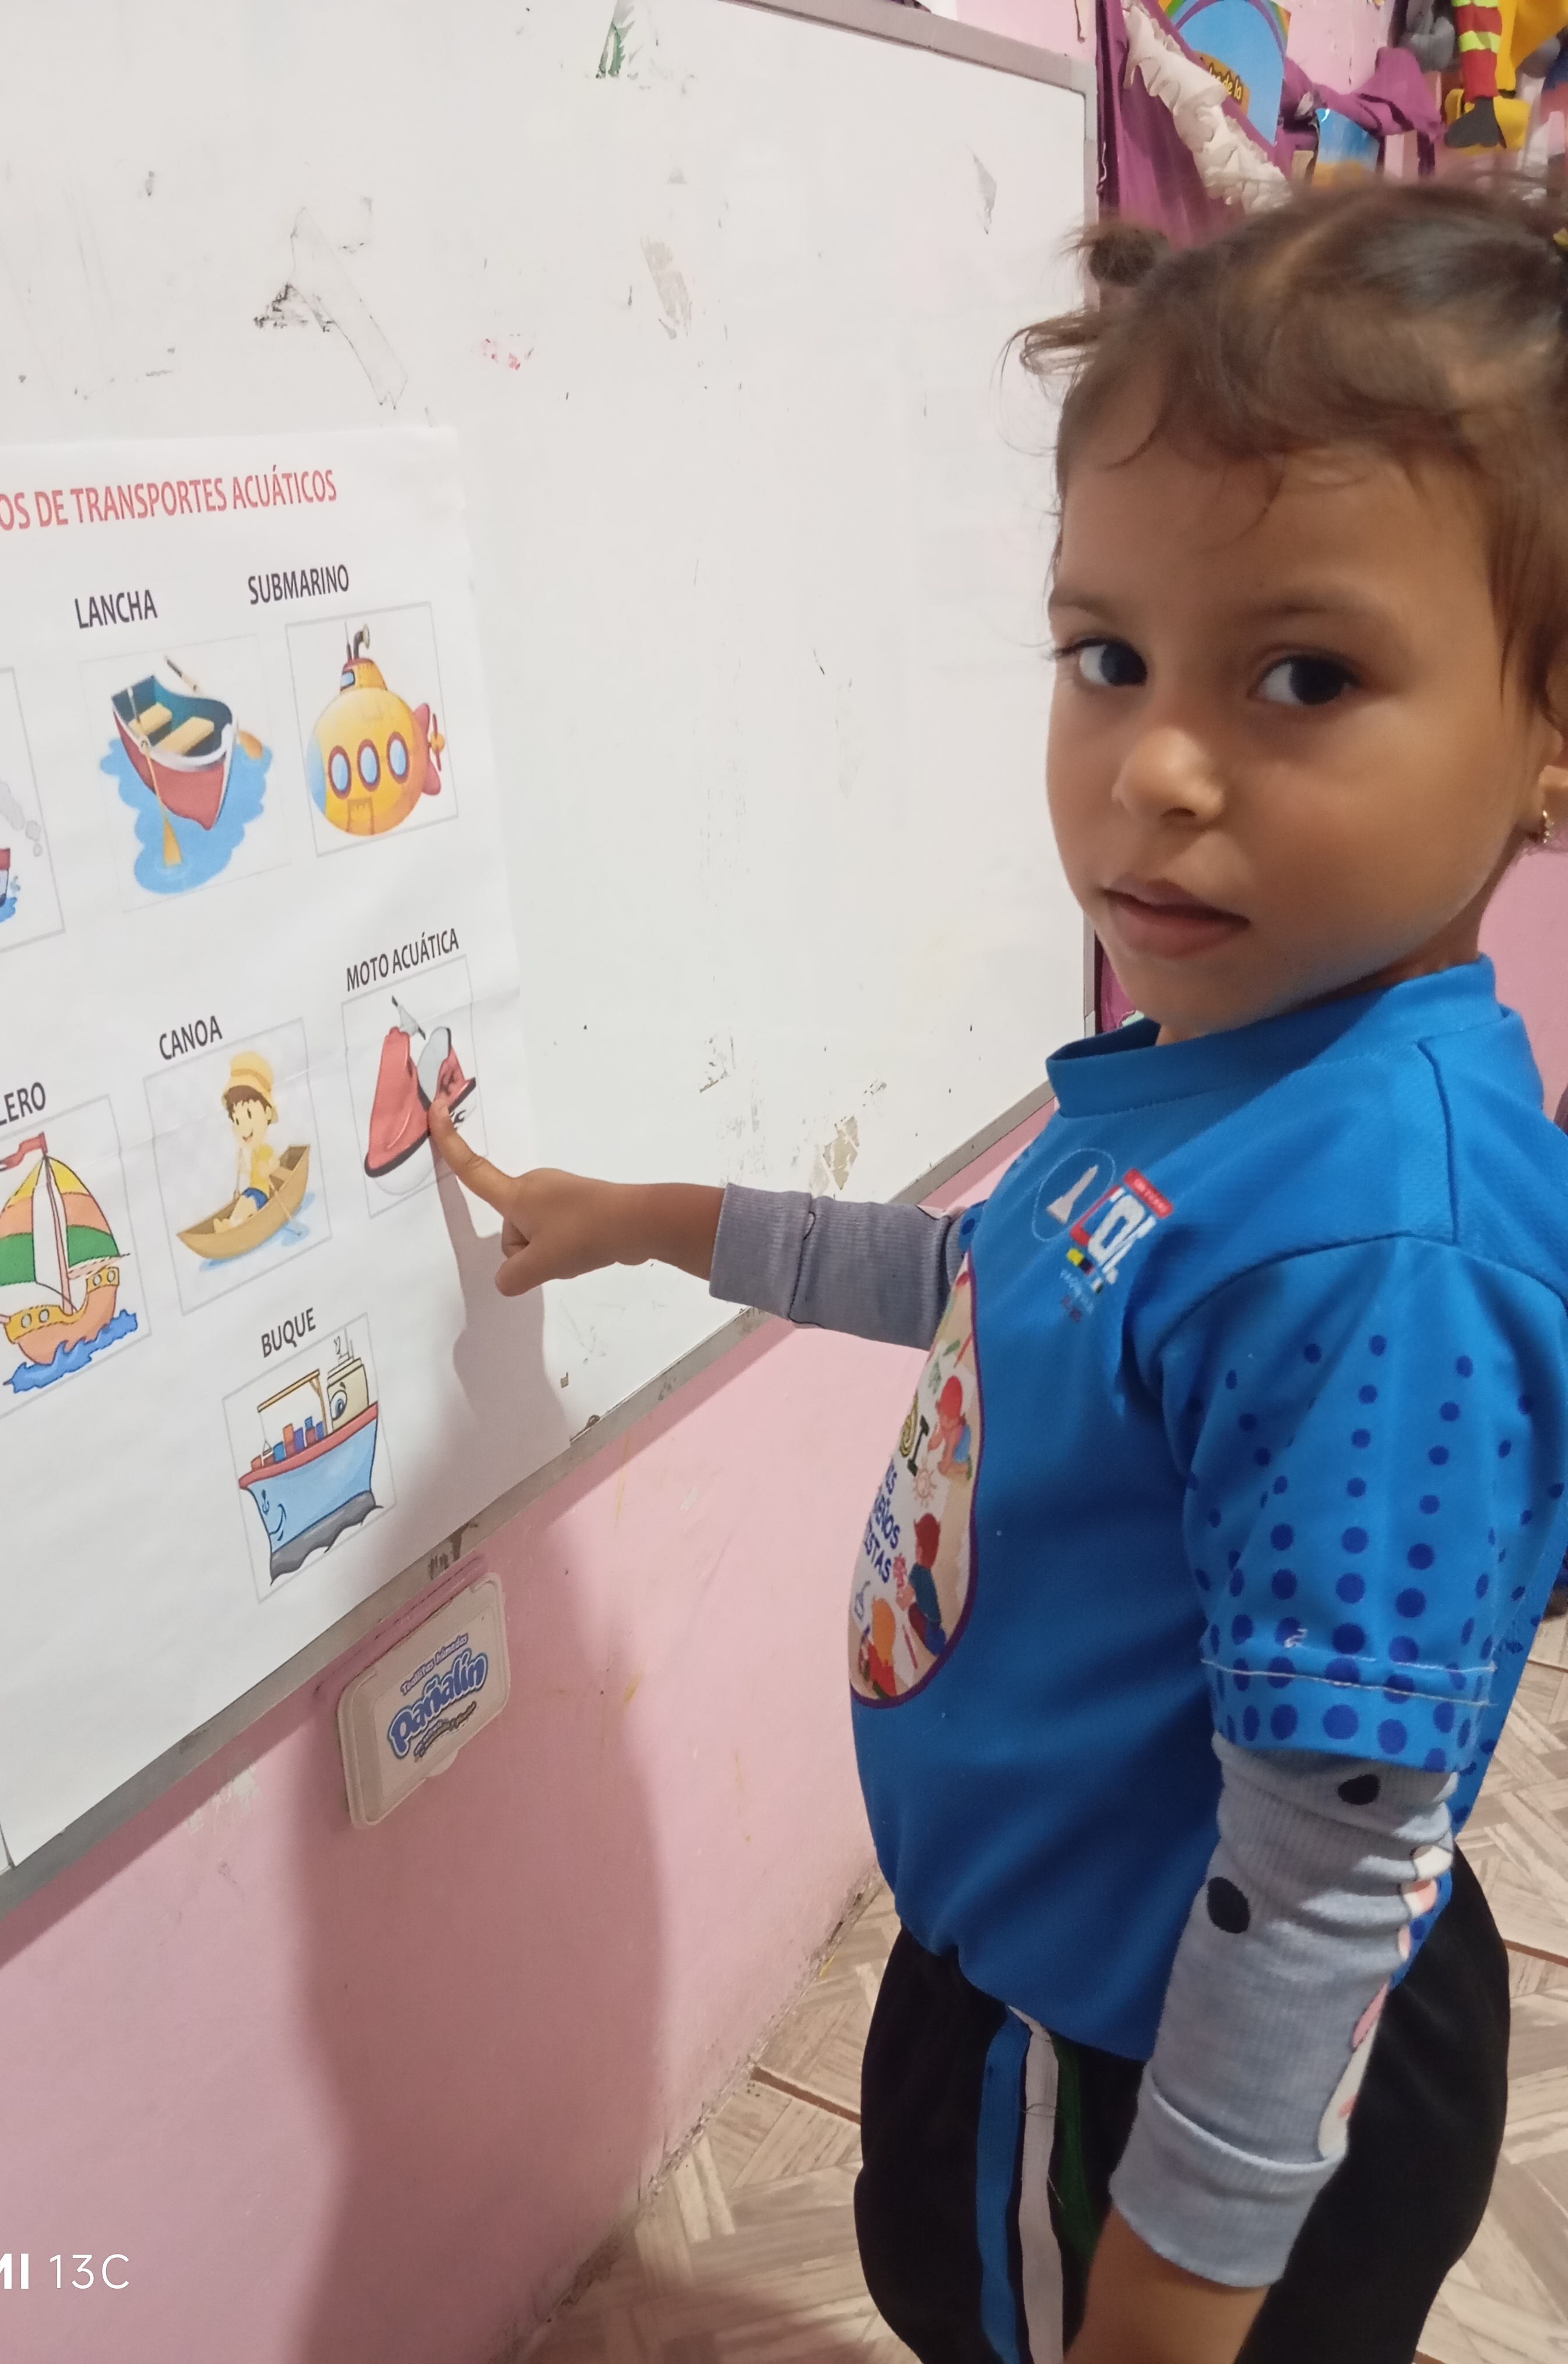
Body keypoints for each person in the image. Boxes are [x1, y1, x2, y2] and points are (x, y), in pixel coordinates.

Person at [432, 178, 1568, 2364]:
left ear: (1544, 725)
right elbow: (1003, 1279)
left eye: (1304, 675)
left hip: (1165, 2061)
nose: (1154, 765)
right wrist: (652, 1216)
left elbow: (1330, 1856)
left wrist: (1172, 2285)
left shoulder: (1376, 1245)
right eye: (1105, 655)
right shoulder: (1249, 1062)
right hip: (1038, 1965)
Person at [214, 1050, 279, 1231]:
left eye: (250, 1115)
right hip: (252, 1189)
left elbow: (275, 1163)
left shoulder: (265, 1150)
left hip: (262, 1193)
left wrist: (269, 1169)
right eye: (237, 1121)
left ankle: (234, 1225)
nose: (243, 1129)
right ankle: (230, 1223)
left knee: (249, 1204)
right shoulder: (253, 1153)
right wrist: (244, 1169)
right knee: (242, 1201)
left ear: (267, 1113)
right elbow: (252, 1174)